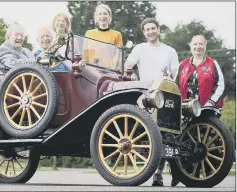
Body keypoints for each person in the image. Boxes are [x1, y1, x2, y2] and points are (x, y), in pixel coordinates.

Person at [123, 18, 180, 186]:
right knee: (156, 133)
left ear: (158, 29)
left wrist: (171, 79)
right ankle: (159, 173)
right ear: (144, 32)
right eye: (147, 29)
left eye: (153, 28)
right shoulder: (139, 48)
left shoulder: (169, 51)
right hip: (147, 94)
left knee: (168, 132)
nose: (150, 32)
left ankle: (164, 172)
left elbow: (175, 72)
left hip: (166, 93)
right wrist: (128, 66)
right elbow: (129, 63)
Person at [176, 35, 225, 108]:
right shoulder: (182, 64)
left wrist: (211, 102)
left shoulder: (212, 63)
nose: (198, 47)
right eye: (195, 44)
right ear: (190, 46)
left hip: (208, 109)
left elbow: (220, 85)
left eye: (201, 44)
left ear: (205, 45)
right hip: (185, 109)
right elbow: (175, 85)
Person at [82, 3, 123, 68]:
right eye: (100, 14)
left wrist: (113, 70)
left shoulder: (117, 34)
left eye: (105, 13)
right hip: (92, 71)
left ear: (109, 16)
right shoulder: (89, 33)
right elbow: (85, 56)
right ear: (96, 17)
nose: (102, 16)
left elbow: (118, 57)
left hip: (109, 72)